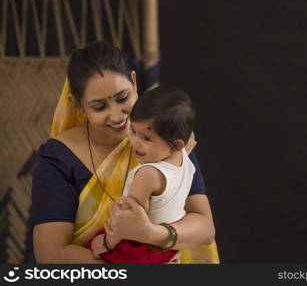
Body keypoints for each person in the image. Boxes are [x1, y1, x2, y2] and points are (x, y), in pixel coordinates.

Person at [31, 41, 220, 264]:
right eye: (99, 107)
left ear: (133, 81)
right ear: (78, 105)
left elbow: (204, 227)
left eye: (123, 98)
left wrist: (151, 235)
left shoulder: (164, 136)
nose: (117, 116)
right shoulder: (59, 157)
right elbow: (51, 254)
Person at [87, 85, 197, 263]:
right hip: (168, 246)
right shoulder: (183, 156)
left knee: (86, 250)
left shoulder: (148, 175)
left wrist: (106, 243)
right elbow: (189, 137)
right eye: (133, 130)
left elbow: (126, 220)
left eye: (146, 138)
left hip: (140, 250)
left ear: (176, 145)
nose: (134, 142)